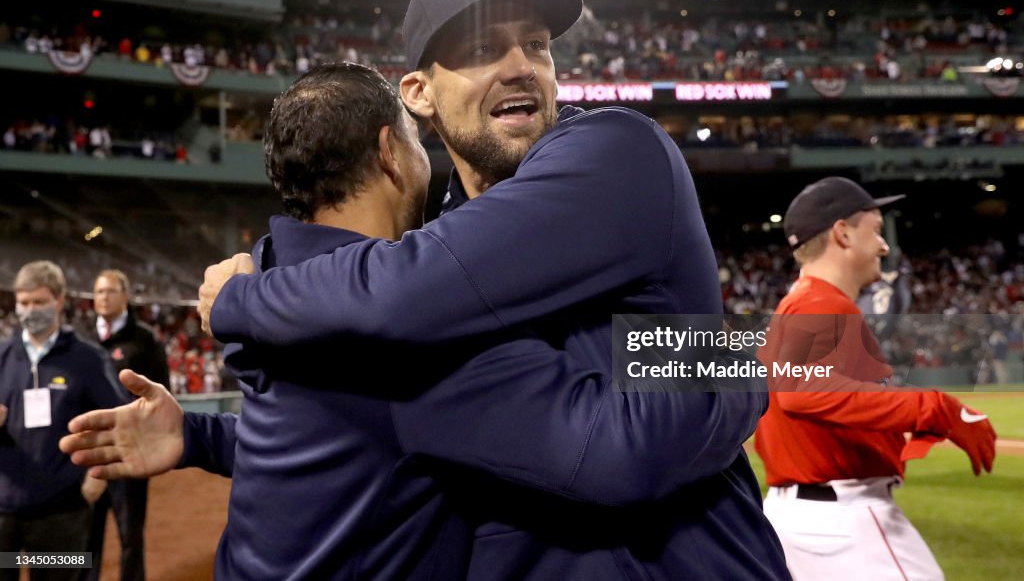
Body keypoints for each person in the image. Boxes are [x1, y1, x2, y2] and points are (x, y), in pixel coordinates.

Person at [63, 61, 785, 579]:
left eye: (537, 45)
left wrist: (198, 431)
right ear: (391, 153)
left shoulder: (279, 275)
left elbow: (348, 440)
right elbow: (622, 447)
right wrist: (739, 358)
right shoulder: (407, 338)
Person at [193, 0, 786, 578]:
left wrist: (245, 298)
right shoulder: (425, 247)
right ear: (418, 94)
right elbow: (383, 424)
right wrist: (196, 437)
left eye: (535, 43)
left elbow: (401, 295)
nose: (521, 66)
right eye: (482, 47)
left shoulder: (613, 154)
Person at [753, 176, 997, 580]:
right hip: (843, 523)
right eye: (877, 231)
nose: (884, 246)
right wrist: (934, 408)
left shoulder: (795, 306)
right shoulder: (821, 304)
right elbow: (803, 392)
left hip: (803, 515)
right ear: (843, 234)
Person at [0, 261, 125, 581]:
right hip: (3, 515)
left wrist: (97, 477)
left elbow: (117, 420)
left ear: (59, 301)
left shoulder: (87, 359)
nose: (30, 310)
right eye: (23, 302)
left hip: (62, 513)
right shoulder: (1, 356)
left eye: (39, 301)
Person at [84, 269, 168, 581]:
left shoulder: (145, 339)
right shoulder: (80, 336)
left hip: (130, 454)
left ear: (125, 295)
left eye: (109, 291)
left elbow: (162, 395)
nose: (102, 297)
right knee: (85, 538)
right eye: (98, 292)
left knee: (130, 535)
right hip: (89, 454)